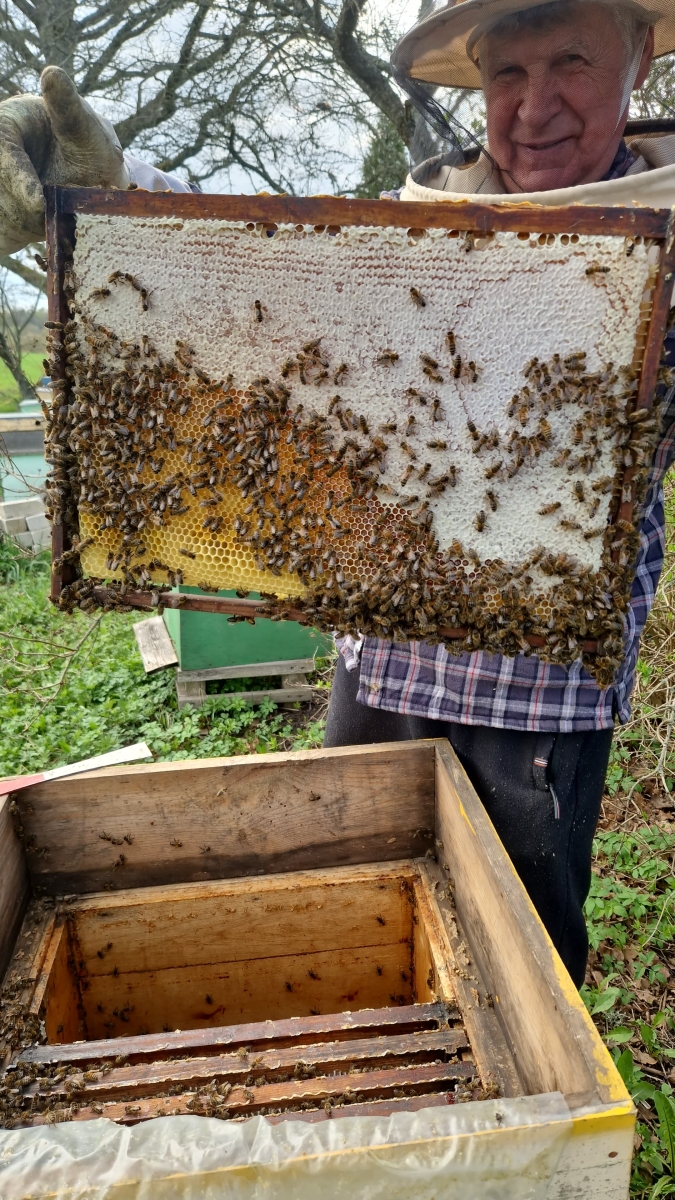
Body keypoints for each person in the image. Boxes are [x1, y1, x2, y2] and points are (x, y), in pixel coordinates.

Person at [0, 0, 673, 987]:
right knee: (353, 897)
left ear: (639, 57)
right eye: (506, 75)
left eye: (569, 61)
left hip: (538, 687)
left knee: (520, 957)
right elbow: (258, 278)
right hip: (388, 660)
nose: (534, 107)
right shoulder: (412, 217)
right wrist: (105, 191)